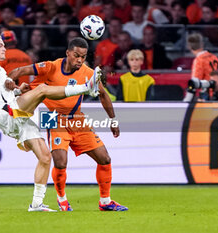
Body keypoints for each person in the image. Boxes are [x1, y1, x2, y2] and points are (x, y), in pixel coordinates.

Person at [0, 34, 102, 212]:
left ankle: (37, 204)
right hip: (7, 113)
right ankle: (86, 87)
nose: (4, 48)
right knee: (42, 89)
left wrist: (17, 91)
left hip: (14, 113)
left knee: (45, 157)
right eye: (0, 45)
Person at [7, 37, 128, 212]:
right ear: (68, 53)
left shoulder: (87, 72)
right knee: (60, 162)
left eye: (83, 57)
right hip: (53, 118)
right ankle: (62, 199)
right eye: (76, 55)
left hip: (77, 119)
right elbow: (19, 70)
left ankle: (105, 201)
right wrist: (10, 83)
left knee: (105, 158)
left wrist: (113, 120)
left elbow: (103, 94)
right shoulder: (50, 66)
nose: (79, 60)